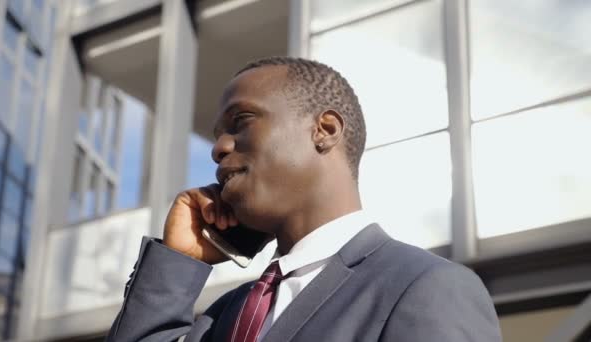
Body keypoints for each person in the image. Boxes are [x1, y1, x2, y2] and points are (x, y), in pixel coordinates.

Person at [106, 57, 502, 342]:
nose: (219, 148)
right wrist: (178, 264)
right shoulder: (219, 318)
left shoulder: (425, 287)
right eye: (217, 134)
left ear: (325, 129)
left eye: (240, 122)